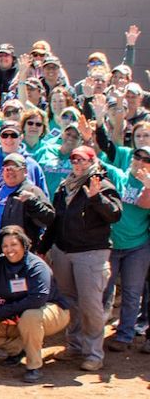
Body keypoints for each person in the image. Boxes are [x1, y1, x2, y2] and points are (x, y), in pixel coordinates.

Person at [40, 146, 122, 372]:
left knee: (90, 304)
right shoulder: (64, 186)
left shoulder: (102, 185)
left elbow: (115, 214)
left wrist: (96, 198)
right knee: (69, 301)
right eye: (74, 159)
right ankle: (74, 345)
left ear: (92, 161)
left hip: (91, 253)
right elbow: (55, 221)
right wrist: (43, 247)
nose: (77, 163)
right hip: (64, 251)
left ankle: (94, 353)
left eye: (82, 160)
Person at [0, 226, 71, 383]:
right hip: (16, 312)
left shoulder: (36, 265)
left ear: (23, 244)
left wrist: (5, 311)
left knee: (30, 316)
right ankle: (17, 348)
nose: (9, 250)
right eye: (5, 246)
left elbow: (38, 299)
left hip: (52, 311)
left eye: (13, 244)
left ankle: (34, 366)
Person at [102, 146, 150, 352]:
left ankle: (125, 335)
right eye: (136, 156)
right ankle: (94, 333)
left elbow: (143, 203)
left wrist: (148, 186)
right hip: (111, 244)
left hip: (137, 246)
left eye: (145, 159)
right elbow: (97, 161)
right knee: (103, 289)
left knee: (132, 292)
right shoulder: (118, 175)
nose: (139, 161)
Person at [0, 153, 55, 260]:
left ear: (25, 171)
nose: (10, 171)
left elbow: (49, 219)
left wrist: (33, 202)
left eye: (15, 167)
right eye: (7, 168)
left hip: (12, 258)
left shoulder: (32, 191)